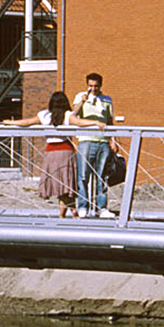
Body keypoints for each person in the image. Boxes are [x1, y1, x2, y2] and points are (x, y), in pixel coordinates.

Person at [3, 91, 101, 217]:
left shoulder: (44, 115)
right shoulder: (67, 115)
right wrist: (96, 123)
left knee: (60, 184)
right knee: (66, 184)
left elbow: (26, 122)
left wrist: (9, 122)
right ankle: (70, 212)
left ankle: (67, 214)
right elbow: (79, 122)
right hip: (66, 151)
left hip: (51, 152)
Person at [71, 72, 115, 219]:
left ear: (100, 86)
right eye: (90, 86)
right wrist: (82, 102)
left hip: (102, 141)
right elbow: (73, 115)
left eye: (96, 86)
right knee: (83, 175)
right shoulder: (80, 97)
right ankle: (83, 206)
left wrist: (112, 140)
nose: (93, 89)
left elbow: (109, 122)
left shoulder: (107, 100)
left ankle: (101, 207)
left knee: (102, 176)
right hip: (86, 140)